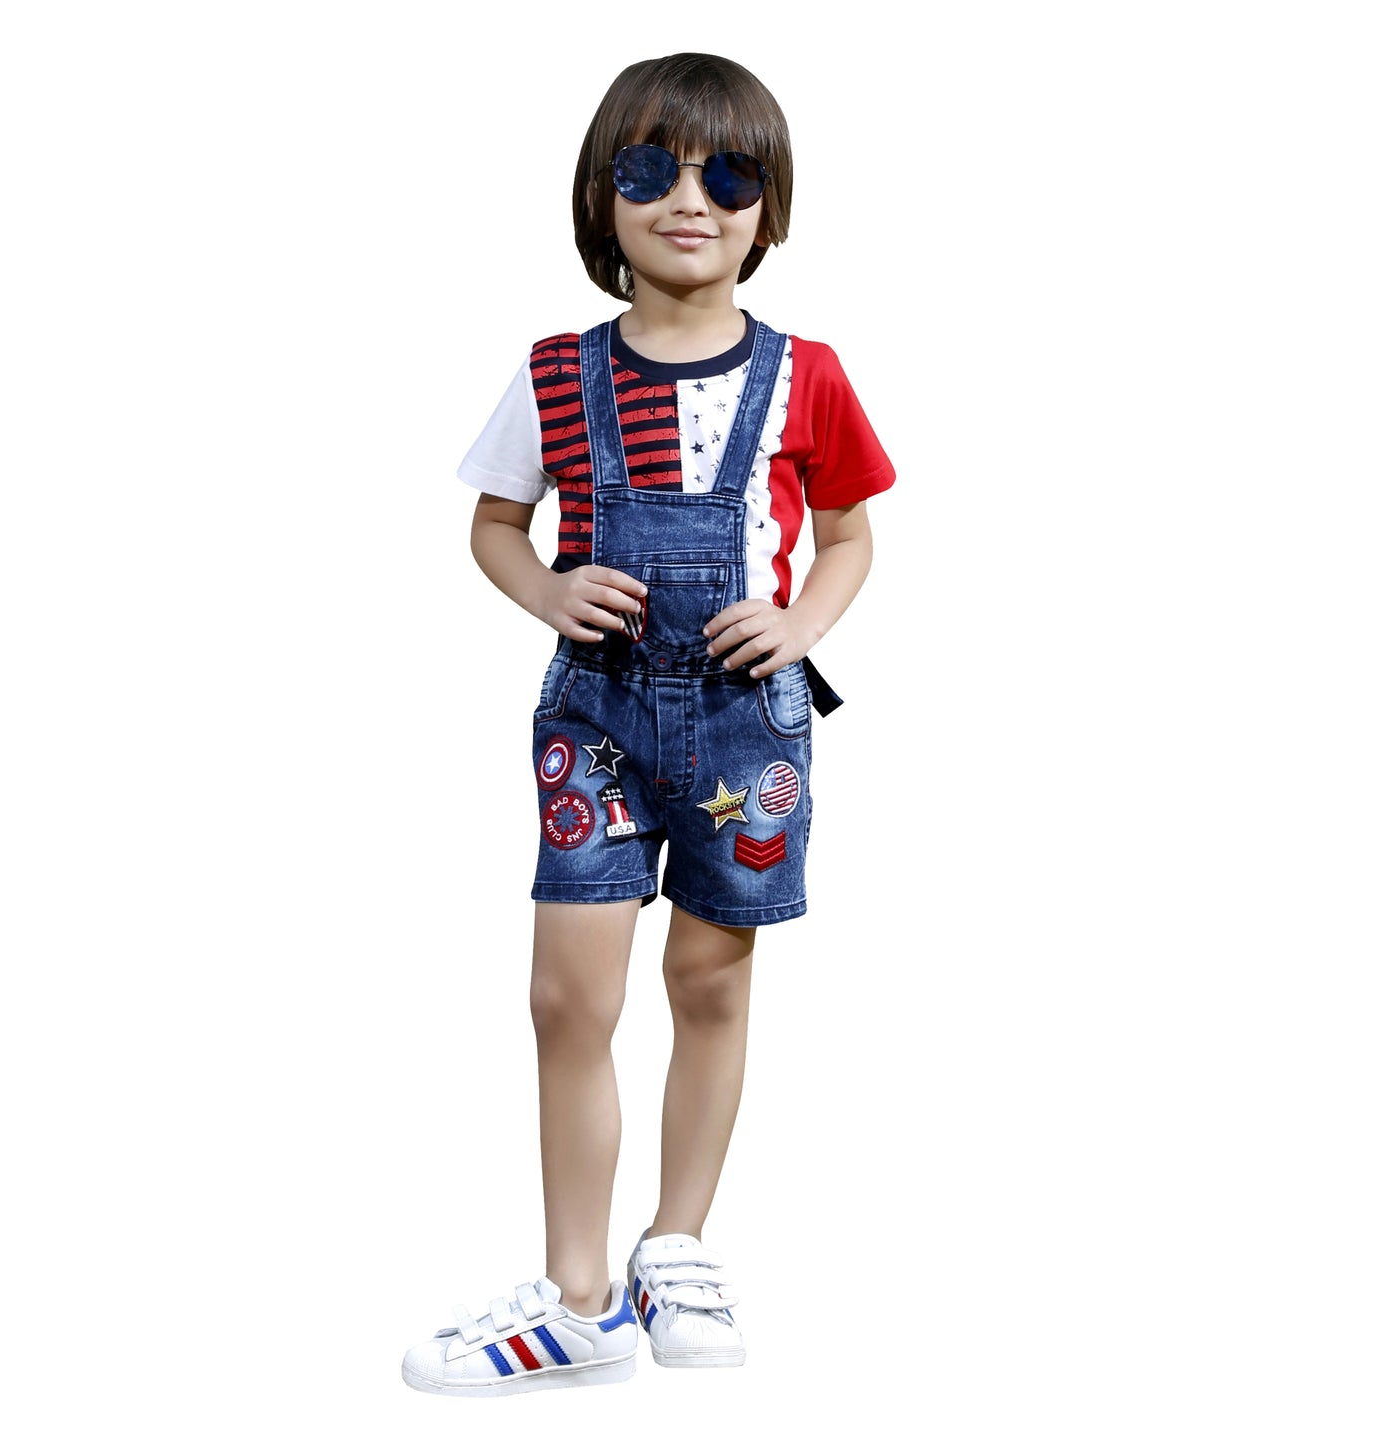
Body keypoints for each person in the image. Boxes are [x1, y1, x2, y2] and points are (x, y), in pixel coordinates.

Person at [402, 51, 895, 1397]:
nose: (690, 200)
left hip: (748, 733)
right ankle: (577, 1298)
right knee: (568, 995)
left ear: (768, 205)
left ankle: (676, 1244)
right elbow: (495, 526)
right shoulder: (557, 374)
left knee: (710, 981)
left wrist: (800, 626)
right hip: (598, 720)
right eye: (650, 170)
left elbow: (850, 537)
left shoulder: (807, 375)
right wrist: (549, 590)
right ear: (600, 195)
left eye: (727, 175)